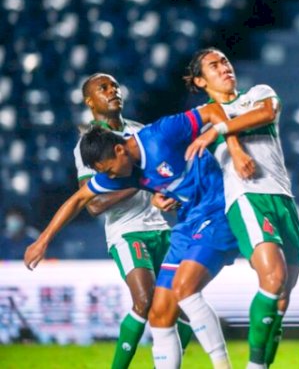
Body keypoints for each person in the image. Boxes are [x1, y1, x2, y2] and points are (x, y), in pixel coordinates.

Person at [25, 102, 254, 369]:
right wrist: (43, 241)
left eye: (108, 170)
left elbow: (214, 109)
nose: (109, 177)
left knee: (185, 291)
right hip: (187, 222)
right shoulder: (123, 171)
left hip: (218, 210)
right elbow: (80, 199)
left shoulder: (161, 133)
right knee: (159, 313)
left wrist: (233, 149)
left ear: (120, 149)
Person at [182, 48, 299, 369]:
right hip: (246, 197)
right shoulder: (204, 115)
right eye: (214, 65)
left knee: (283, 297)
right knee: (273, 279)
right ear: (199, 80)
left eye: (225, 61)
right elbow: (209, 122)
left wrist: (220, 132)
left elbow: (266, 113)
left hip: (283, 197)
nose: (224, 67)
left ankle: (261, 365)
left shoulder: (258, 93)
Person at [72, 73, 191, 369]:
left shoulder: (141, 132)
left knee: (182, 313)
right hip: (127, 233)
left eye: (114, 86)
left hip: (160, 228)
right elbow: (94, 205)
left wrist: (169, 193)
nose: (112, 90)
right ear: (90, 101)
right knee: (145, 300)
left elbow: (164, 177)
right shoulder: (87, 147)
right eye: (103, 88)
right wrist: (141, 182)